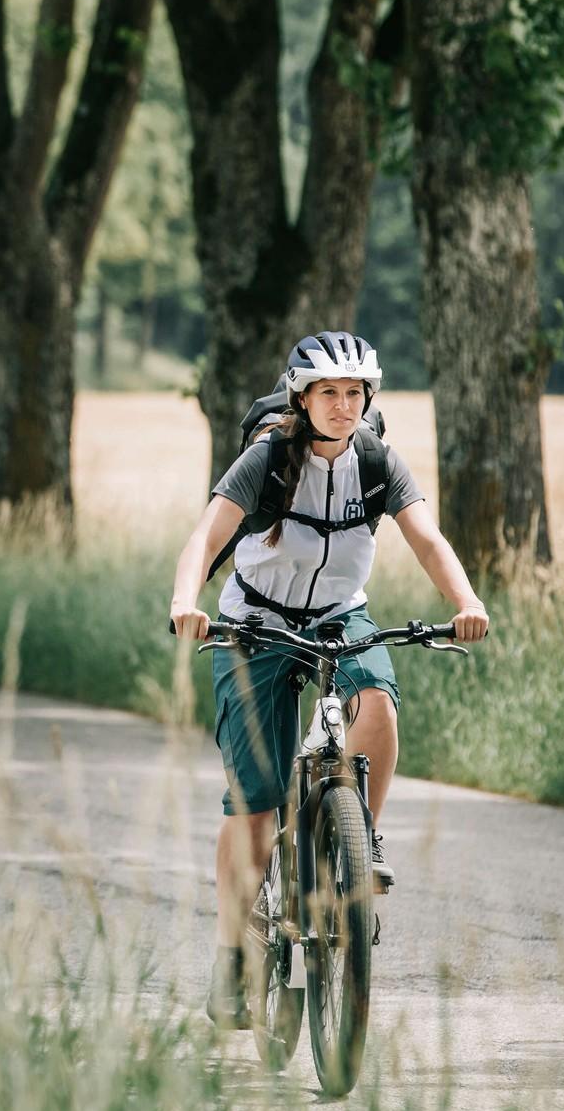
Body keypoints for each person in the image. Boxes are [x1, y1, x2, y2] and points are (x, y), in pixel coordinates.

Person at [167, 331, 491, 1029]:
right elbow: (205, 535)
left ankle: (355, 839)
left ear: (367, 399)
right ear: (303, 398)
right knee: (254, 805)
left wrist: (466, 602)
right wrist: (185, 602)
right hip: (254, 622)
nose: (343, 406)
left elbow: (427, 537)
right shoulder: (267, 460)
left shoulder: (376, 462)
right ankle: (232, 954)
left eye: (354, 394)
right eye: (328, 394)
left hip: (341, 616)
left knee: (378, 701)